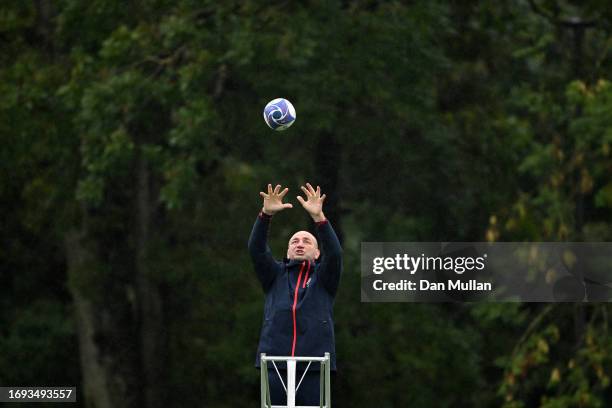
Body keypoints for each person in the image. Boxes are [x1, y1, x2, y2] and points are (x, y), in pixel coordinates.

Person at [248, 183, 343, 406]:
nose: (300, 244)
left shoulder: (324, 278)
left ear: (317, 252)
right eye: (294, 241)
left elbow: (335, 253)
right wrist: (266, 215)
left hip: (315, 364)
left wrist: (319, 218)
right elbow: (256, 249)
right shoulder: (274, 275)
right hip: (275, 362)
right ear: (288, 250)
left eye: (307, 241)